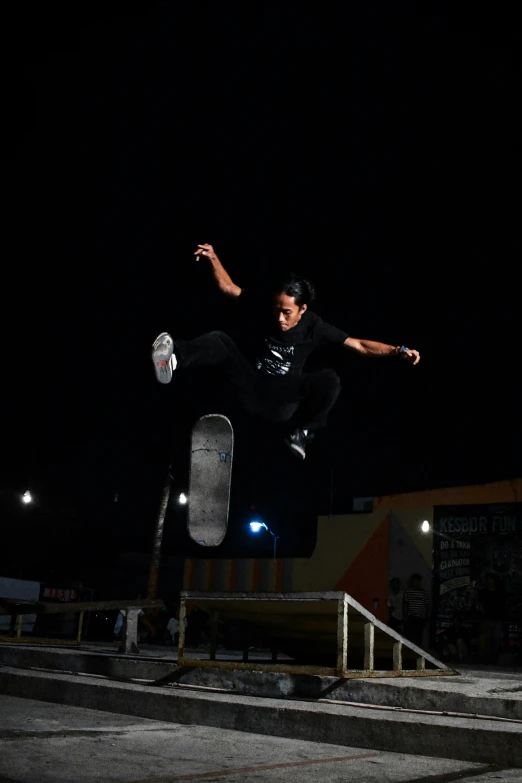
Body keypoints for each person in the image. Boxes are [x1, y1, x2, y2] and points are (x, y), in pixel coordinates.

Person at [152, 243, 421, 460]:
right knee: (220, 340)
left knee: (329, 379)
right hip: (252, 385)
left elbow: (359, 345)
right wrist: (213, 257)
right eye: (277, 310)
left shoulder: (315, 326)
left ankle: (303, 433)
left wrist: (398, 350)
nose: (280, 318)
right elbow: (228, 288)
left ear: (302, 310)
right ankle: (174, 359)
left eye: (287, 313)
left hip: (282, 401)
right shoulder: (267, 307)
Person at [403, 573, 430, 647]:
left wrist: (426, 618)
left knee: (418, 638)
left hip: (420, 618)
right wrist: (406, 617)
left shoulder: (424, 593)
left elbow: (426, 607)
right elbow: (406, 605)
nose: (415, 583)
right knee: (409, 637)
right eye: (414, 581)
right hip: (411, 617)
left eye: (417, 581)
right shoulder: (408, 592)